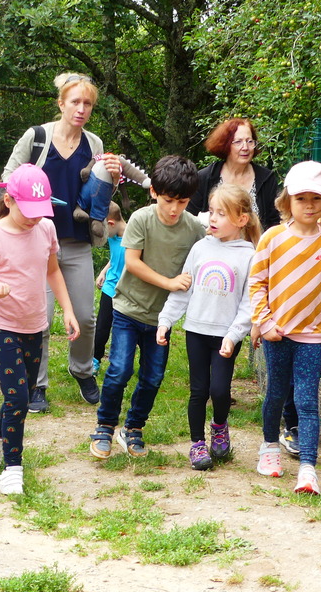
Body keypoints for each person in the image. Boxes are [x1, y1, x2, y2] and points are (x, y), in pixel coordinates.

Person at [2, 72, 121, 411]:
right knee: (39, 317)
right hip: (35, 240)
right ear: (61, 103)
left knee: (84, 317)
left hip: (77, 240)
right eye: (75, 102)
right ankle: (36, 383)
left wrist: (113, 178)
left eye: (88, 104)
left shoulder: (94, 144)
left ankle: (82, 370)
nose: (81, 109)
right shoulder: (37, 137)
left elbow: (99, 193)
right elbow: (8, 177)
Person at [189, 118, 299, 456]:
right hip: (212, 269)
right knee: (201, 386)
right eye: (238, 141)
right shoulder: (207, 177)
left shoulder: (265, 178)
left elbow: (274, 222)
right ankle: (200, 439)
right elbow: (191, 218)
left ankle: (281, 420)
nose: (246, 147)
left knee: (226, 370)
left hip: (253, 262)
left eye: (250, 140)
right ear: (225, 145)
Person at [0, 164, 80, 495]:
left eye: (40, 211)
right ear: (8, 201)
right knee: (18, 398)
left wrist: (68, 310)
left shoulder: (46, 229)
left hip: (34, 325)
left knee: (23, 393)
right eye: (28, 211)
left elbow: (53, 271)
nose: (34, 218)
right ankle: (12, 468)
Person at [89, 155, 206, 459]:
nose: (174, 209)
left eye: (182, 202)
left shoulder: (195, 228)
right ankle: (105, 426)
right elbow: (132, 262)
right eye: (168, 200)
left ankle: (133, 428)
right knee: (119, 370)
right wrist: (170, 282)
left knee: (153, 377)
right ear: (154, 191)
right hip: (127, 309)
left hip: (161, 319)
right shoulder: (141, 219)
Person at [249, 160, 321, 495]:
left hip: (314, 337)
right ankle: (269, 448)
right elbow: (257, 282)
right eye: (301, 199)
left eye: (316, 199)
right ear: (287, 201)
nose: (309, 205)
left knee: (307, 400)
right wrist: (264, 322)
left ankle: (308, 469)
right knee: (277, 393)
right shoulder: (272, 238)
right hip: (277, 334)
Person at [156, 184, 261, 470]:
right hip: (196, 332)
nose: (212, 218)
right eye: (212, 211)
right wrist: (166, 320)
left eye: (221, 214)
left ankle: (219, 425)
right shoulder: (200, 248)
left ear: (241, 219)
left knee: (219, 390)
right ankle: (197, 444)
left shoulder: (249, 255)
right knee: (199, 390)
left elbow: (249, 303)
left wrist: (234, 335)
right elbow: (183, 290)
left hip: (226, 336)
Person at [92, 201, 127, 375]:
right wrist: (103, 272)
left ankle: (122, 364)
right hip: (109, 288)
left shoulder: (134, 236)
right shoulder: (113, 236)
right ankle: (95, 361)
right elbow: (115, 258)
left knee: (123, 331)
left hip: (127, 292)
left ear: (111, 224)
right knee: (102, 327)